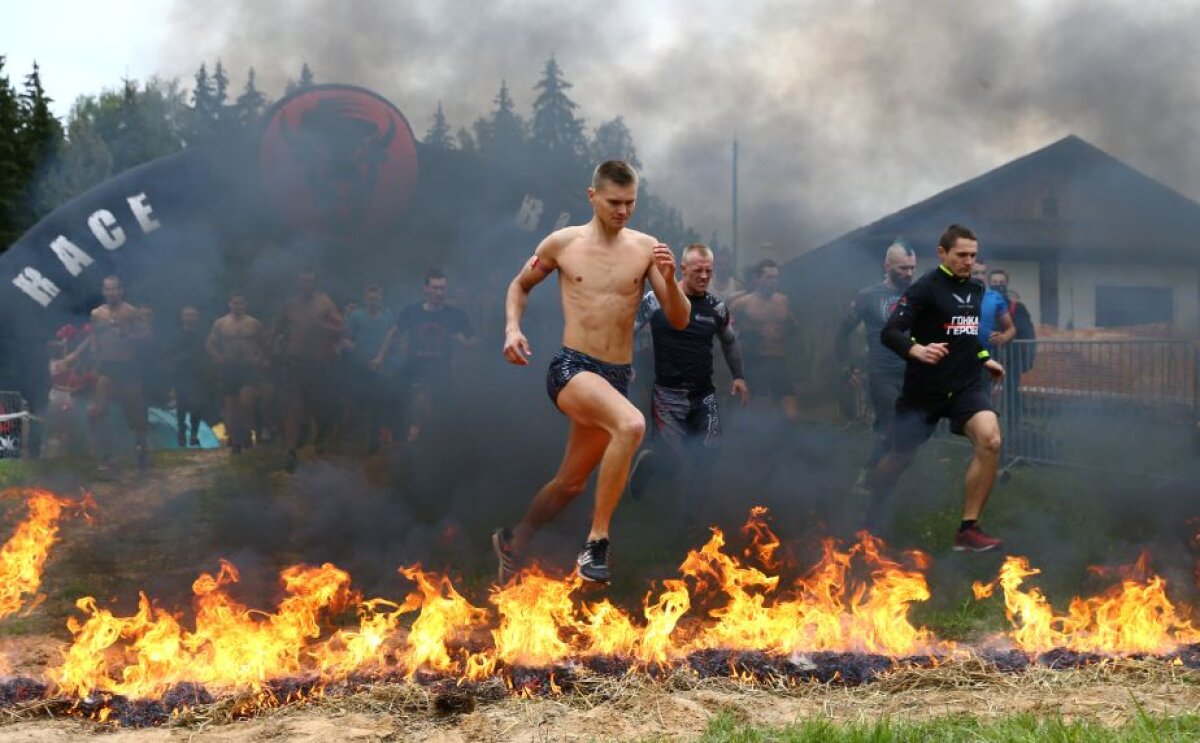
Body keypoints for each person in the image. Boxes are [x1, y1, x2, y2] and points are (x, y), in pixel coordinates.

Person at [493, 160, 690, 584]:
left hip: (616, 375)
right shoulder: (563, 243)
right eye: (615, 202)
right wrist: (512, 329)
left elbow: (679, 319)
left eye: (630, 203)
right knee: (632, 424)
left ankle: (514, 540)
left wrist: (672, 282)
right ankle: (596, 543)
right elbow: (519, 285)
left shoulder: (646, 248)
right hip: (572, 368)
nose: (623, 211)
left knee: (570, 484)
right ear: (593, 196)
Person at [865, 224, 1006, 552]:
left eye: (973, 255)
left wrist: (985, 358)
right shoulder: (924, 289)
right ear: (942, 253)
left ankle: (968, 530)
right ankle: (873, 503)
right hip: (924, 391)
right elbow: (891, 331)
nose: (968, 262)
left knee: (991, 440)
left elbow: (968, 335)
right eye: (961, 255)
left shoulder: (975, 290)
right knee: (900, 457)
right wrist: (916, 350)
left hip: (966, 384)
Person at [627, 243, 748, 533]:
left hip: (704, 395)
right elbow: (626, 329)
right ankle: (650, 465)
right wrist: (624, 364)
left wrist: (739, 377)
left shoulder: (717, 307)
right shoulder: (656, 300)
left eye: (709, 271)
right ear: (683, 269)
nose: (704, 276)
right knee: (672, 462)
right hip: (668, 395)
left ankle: (691, 521)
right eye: (698, 271)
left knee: (709, 455)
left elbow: (730, 342)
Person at [835, 240, 917, 477]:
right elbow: (843, 333)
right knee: (894, 424)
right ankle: (868, 479)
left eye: (912, 268)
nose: (909, 273)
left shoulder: (917, 295)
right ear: (887, 265)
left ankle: (878, 478)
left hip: (912, 375)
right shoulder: (868, 296)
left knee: (905, 435)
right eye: (903, 268)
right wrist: (845, 367)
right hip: (882, 374)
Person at [372, 270, 475, 443]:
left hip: (442, 372)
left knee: (442, 416)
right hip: (414, 369)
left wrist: (464, 343)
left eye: (442, 288)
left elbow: (473, 341)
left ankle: (432, 446)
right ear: (425, 289)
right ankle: (401, 439)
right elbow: (394, 333)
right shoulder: (411, 311)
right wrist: (380, 357)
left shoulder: (456, 315)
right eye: (435, 288)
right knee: (405, 402)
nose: (439, 293)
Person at [64, 275, 151, 470]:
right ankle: (106, 456)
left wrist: (129, 335)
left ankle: (143, 450)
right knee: (99, 411)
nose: (112, 292)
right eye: (108, 289)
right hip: (107, 366)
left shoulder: (131, 311)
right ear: (103, 291)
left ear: (121, 291)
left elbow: (147, 334)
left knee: (134, 412)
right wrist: (92, 351)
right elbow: (94, 335)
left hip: (128, 366)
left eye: (115, 289)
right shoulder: (97, 313)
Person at [274, 270, 344, 472]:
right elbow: (277, 328)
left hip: (319, 363)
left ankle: (317, 445)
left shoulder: (325, 303)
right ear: (298, 282)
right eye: (303, 281)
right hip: (293, 361)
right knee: (293, 406)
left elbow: (341, 330)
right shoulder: (289, 304)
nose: (306, 285)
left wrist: (322, 325)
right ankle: (291, 451)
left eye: (310, 281)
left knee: (319, 407)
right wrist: (267, 353)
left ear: (315, 282)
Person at [731, 259, 798, 420]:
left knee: (791, 414)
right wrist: (744, 336)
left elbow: (794, 325)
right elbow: (725, 329)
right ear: (757, 279)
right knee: (761, 416)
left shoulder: (783, 301)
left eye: (776, 277)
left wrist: (790, 330)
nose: (773, 281)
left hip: (779, 360)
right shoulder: (743, 303)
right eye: (769, 277)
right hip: (757, 362)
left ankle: (788, 443)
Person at [207, 291, 267, 454]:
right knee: (231, 407)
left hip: (248, 367)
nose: (238, 306)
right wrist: (218, 356)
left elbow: (264, 343)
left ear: (245, 305)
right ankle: (236, 442)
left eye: (241, 303)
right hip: (229, 367)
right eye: (235, 303)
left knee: (247, 403)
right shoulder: (221, 323)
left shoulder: (254, 323)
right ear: (230, 304)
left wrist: (259, 358)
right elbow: (210, 343)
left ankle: (248, 434)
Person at [345, 284, 396, 454]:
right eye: (370, 298)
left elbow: (393, 337)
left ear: (381, 298)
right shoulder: (356, 316)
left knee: (379, 405)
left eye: (376, 298)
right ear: (365, 298)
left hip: (381, 367)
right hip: (360, 367)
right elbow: (346, 339)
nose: (373, 301)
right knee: (359, 404)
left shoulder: (388, 315)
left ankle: (374, 443)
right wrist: (356, 349)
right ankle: (355, 440)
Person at [167, 306, 210, 448]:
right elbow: (169, 356)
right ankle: (181, 433)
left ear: (197, 318)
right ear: (182, 317)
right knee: (182, 406)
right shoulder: (175, 336)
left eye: (192, 315)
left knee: (198, 405)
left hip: (198, 375)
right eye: (187, 315)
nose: (190, 318)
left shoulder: (202, 335)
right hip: (181, 374)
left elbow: (207, 353)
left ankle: (194, 434)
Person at [971, 260, 1015, 360]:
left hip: (983, 356)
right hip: (957, 357)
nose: (980, 277)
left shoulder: (994, 297)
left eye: (983, 273)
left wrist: (1003, 337)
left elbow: (1011, 329)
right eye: (975, 273)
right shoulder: (952, 294)